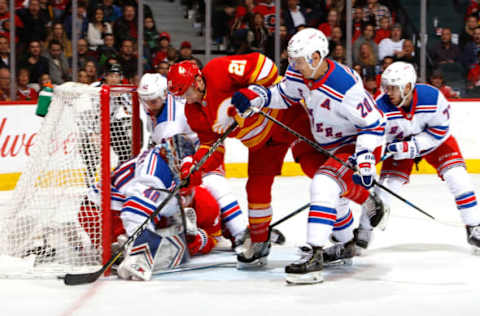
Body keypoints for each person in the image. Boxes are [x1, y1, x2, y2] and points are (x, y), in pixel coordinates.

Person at [231, 28, 387, 284]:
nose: (292, 65)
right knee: (321, 180)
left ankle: (314, 255)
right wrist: (258, 96)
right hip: (324, 140)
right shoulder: (299, 72)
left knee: (325, 183)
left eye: (298, 60)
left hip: (352, 144)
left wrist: (365, 157)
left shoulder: (346, 87)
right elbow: (284, 94)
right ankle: (347, 240)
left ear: (315, 57)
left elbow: (375, 125)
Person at [167, 54, 296, 268]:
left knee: (319, 168)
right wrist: (194, 167)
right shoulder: (194, 111)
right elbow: (212, 148)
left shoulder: (218, 70)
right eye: (181, 96)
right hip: (262, 143)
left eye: (187, 92)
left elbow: (266, 68)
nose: (187, 100)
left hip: (287, 114)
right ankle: (259, 242)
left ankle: (342, 230)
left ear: (198, 81)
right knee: (256, 190)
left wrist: (250, 93)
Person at [355, 61, 480, 252]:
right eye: (386, 87)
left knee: (458, 178)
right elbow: (373, 136)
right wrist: (366, 158)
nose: (388, 92)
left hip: (434, 143)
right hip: (398, 146)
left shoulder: (432, 97)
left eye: (393, 88)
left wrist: (413, 145)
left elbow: (441, 129)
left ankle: (474, 227)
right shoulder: (380, 107)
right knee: (386, 188)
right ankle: (363, 231)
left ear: (407, 86)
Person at [137, 72, 250, 252]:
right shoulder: (158, 106)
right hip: (185, 157)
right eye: (144, 100)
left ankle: (242, 234)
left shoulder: (170, 122)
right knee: (202, 198)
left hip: (204, 152)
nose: (148, 105)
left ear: (164, 95)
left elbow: (176, 149)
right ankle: (225, 230)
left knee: (216, 186)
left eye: (153, 100)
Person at [83, 136, 221, 281]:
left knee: (168, 234)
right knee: (166, 251)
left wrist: (197, 237)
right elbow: (134, 210)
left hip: (116, 208)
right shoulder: (154, 171)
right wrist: (140, 251)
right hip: (98, 213)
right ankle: (121, 249)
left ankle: (125, 247)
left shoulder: (168, 166)